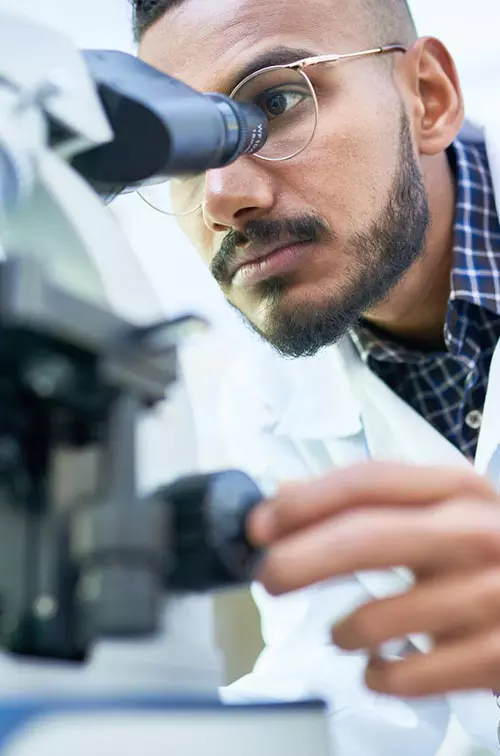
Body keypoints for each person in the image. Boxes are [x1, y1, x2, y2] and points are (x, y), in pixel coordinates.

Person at [134, 0, 500, 752]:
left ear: (426, 96)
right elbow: (355, 704)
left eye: (275, 100)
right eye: (181, 155)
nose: (226, 198)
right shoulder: (268, 401)